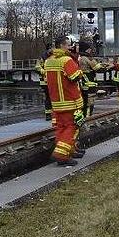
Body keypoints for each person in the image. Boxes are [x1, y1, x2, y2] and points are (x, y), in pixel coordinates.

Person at [43, 35, 85, 166]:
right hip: (70, 101)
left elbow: (46, 79)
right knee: (72, 127)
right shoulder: (66, 60)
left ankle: (69, 151)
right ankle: (61, 155)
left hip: (56, 102)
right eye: (68, 45)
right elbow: (75, 76)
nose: (70, 47)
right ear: (61, 45)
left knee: (60, 128)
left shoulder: (48, 61)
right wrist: (78, 67)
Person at [34, 43, 53, 121]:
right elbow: (37, 67)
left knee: (51, 97)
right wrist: (44, 71)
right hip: (45, 81)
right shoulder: (42, 57)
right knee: (48, 97)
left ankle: (52, 113)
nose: (53, 50)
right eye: (51, 48)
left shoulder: (54, 56)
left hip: (52, 80)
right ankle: (48, 114)